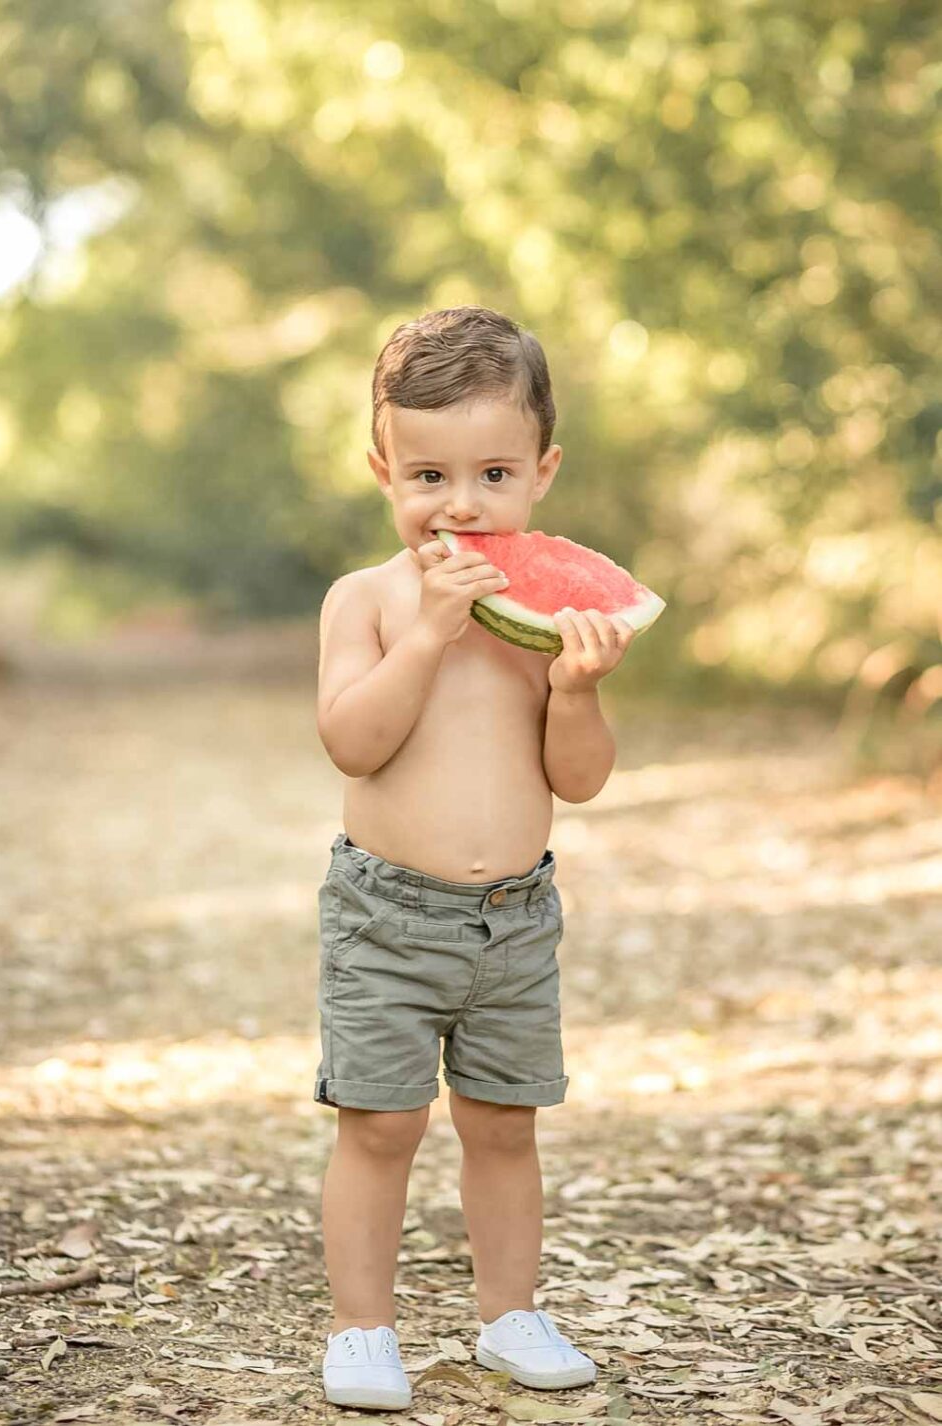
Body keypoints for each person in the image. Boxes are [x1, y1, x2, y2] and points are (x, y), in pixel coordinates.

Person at [314, 306, 636, 1410]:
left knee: (503, 1125)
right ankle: (363, 1328)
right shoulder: (363, 601)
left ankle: (511, 1312)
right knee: (380, 1123)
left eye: (493, 472)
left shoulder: (548, 622)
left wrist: (576, 690)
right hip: (383, 915)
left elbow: (578, 778)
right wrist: (425, 636)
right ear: (382, 469)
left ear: (540, 473)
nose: (460, 503)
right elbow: (353, 740)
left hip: (515, 918)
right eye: (428, 475)